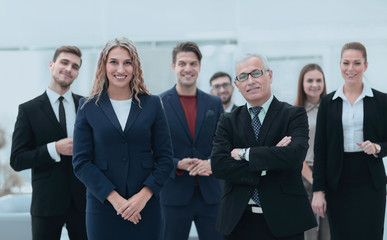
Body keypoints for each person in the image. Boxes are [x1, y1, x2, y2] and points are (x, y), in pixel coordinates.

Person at [72, 37, 174, 240]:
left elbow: (165, 158)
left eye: (127, 62)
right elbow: (81, 162)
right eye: (114, 62)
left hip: (145, 207)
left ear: (135, 67)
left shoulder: (153, 104)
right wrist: (115, 199)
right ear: (104, 65)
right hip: (103, 207)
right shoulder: (87, 107)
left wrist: (142, 197)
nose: (121, 69)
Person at [211, 54, 317, 240]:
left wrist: (244, 153)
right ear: (237, 85)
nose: (250, 81)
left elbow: (294, 156)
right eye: (243, 76)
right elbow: (219, 165)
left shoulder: (293, 115)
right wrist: (273, 157)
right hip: (238, 221)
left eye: (256, 73)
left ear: (270, 75)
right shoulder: (228, 120)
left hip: (285, 220)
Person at [312, 42, 387, 240]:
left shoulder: (381, 101)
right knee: (341, 235)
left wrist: (378, 147)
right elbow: (320, 148)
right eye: (346, 63)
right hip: (338, 181)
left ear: (366, 65)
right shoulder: (328, 102)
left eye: (356, 63)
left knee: (371, 235)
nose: (351, 69)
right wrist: (318, 191)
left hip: (371, 181)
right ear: (340, 65)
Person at [10, 46, 87, 240]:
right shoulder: (28, 110)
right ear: (52, 65)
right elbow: (17, 160)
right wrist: (54, 149)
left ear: (77, 73)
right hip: (46, 204)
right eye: (64, 62)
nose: (69, 68)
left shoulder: (87, 106)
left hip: (84, 203)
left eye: (75, 66)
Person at [160, 41, 223, 240]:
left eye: (193, 64)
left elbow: (224, 143)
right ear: (173, 66)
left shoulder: (214, 102)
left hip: (211, 195)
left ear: (199, 67)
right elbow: (152, 149)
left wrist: (211, 163)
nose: (188, 69)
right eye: (182, 63)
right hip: (173, 195)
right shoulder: (158, 103)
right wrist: (177, 163)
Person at [295, 64, 330, 240]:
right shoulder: (295, 113)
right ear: (302, 83)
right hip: (303, 175)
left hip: (328, 175)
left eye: (319, 80)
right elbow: (294, 153)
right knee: (307, 233)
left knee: (329, 233)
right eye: (310, 80)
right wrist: (314, 181)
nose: (314, 84)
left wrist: (322, 182)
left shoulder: (332, 109)